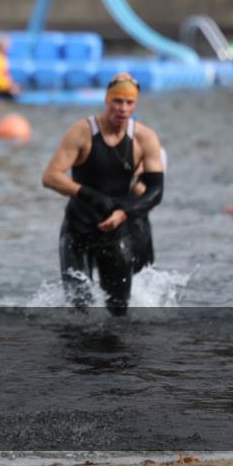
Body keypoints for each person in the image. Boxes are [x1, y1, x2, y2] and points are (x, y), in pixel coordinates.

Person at [42, 73, 164, 315]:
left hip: (116, 230)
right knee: (79, 308)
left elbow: (156, 192)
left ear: (136, 104)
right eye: (117, 101)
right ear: (107, 100)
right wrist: (93, 197)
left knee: (118, 311)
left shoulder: (145, 138)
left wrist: (124, 212)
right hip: (79, 230)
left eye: (129, 103)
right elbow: (51, 176)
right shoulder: (82, 132)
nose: (123, 108)